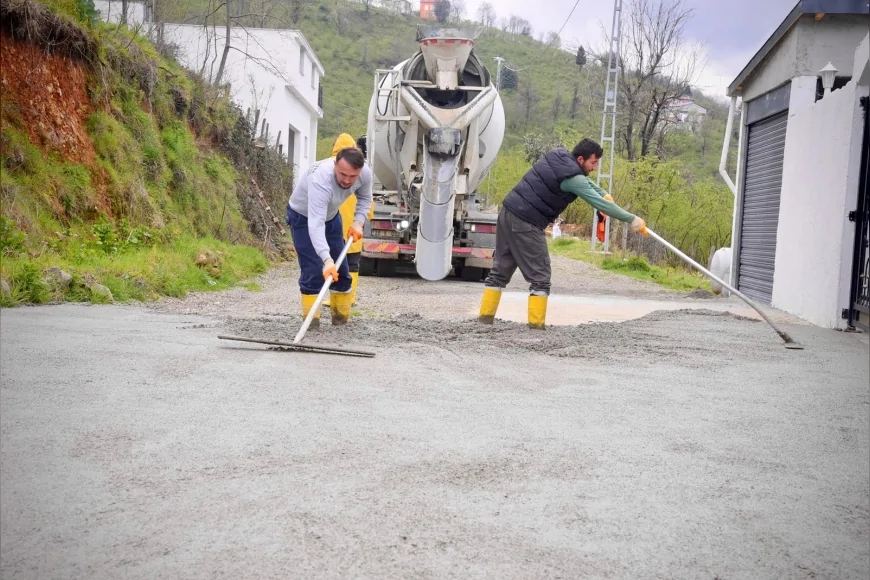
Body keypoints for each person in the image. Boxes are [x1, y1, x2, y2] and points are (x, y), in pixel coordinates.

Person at [477, 138, 648, 330]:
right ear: (581, 159)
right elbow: (598, 203)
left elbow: (590, 186)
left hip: (508, 212)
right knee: (540, 276)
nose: (594, 167)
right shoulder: (573, 179)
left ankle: (484, 320)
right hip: (527, 220)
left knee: (500, 270)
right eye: (593, 162)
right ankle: (536, 327)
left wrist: (603, 194)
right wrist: (632, 220)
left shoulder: (559, 157)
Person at [287, 146, 372, 327]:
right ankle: (312, 326)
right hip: (303, 218)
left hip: (332, 217)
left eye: (352, 176)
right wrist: (326, 259)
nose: (347, 180)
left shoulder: (365, 173)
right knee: (313, 271)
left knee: (341, 271)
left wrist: (358, 221)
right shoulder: (321, 180)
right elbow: (315, 224)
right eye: (342, 174)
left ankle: (340, 322)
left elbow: (365, 198)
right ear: (335, 165)